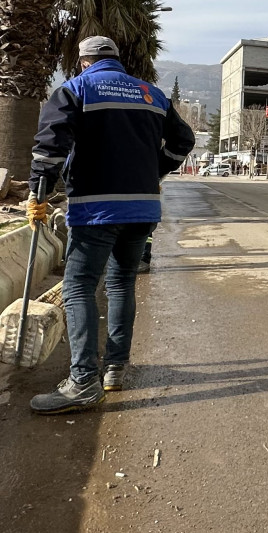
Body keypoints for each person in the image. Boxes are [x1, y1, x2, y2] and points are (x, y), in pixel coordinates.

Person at [27, 36, 195, 414]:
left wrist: (39, 192)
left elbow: (50, 146)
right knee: (121, 283)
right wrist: (155, 170)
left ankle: (83, 380)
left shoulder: (76, 89)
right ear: (117, 61)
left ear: (84, 62)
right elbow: (183, 140)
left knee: (79, 286)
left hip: (96, 208)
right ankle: (115, 368)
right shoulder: (152, 94)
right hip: (142, 209)